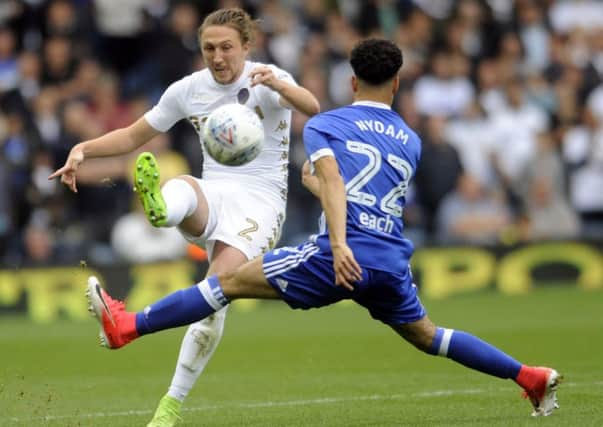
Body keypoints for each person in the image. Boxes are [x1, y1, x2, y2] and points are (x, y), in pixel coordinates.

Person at [85, 38, 562, 420]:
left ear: (351, 80)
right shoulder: (411, 141)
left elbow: (334, 180)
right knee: (430, 336)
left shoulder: (327, 124)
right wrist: (321, 190)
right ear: (396, 84)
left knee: (225, 283)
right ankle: (529, 376)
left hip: (340, 253)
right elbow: (363, 191)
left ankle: (127, 327)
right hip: (390, 259)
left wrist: (336, 243)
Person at [50, 7, 320, 427]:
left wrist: (281, 84)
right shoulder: (189, 89)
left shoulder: (267, 77)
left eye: (227, 47)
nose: (217, 57)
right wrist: (84, 148)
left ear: (247, 46)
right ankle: (159, 210)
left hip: (261, 204)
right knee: (182, 185)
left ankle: (169, 406)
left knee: (213, 301)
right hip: (214, 193)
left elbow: (314, 107)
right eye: (209, 48)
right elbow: (132, 136)